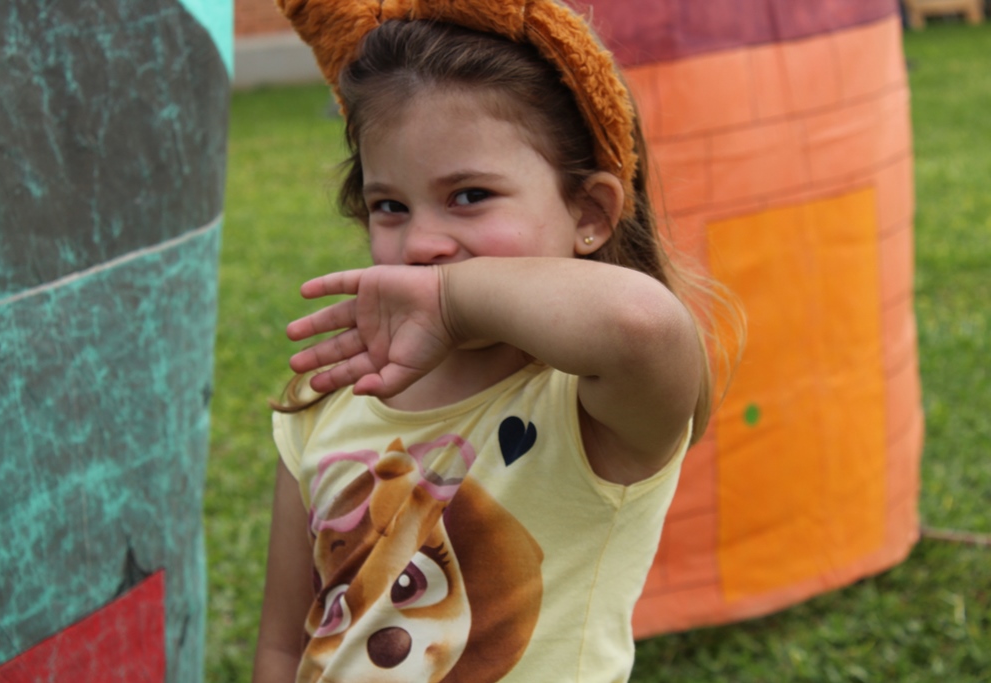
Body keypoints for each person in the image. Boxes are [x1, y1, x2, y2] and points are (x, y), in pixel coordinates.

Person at [253, 1, 733, 681]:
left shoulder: (588, 407)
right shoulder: (330, 401)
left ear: (590, 213)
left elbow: (642, 324)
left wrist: (454, 301)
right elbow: (284, 643)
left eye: (470, 195)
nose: (421, 243)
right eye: (390, 206)